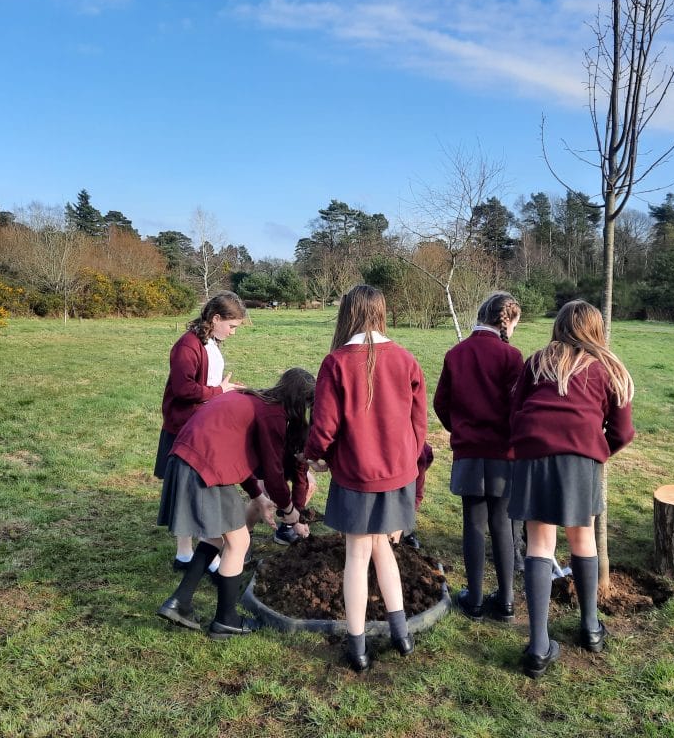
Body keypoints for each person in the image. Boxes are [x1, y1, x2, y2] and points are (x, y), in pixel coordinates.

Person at [303, 285, 428, 672]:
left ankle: (357, 648)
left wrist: (314, 456)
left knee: (357, 555)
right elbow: (419, 424)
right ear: (381, 312)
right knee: (382, 548)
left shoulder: (336, 362)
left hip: (356, 473)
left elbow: (324, 424)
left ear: (347, 314)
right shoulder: (406, 358)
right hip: (396, 472)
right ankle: (401, 634)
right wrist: (407, 461)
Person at [508, 299, 635, 678]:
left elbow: (515, 413)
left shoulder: (537, 362)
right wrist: (597, 455)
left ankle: (538, 645)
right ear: (596, 329)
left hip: (533, 455)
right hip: (580, 461)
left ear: (559, 326)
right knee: (583, 541)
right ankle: (591, 628)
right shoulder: (609, 369)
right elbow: (624, 431)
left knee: (539, 546)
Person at [156, 368, 315, 637]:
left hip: (187, 461)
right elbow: (274, 475)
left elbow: (237, 458)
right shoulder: (273, 416)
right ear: (300, 401)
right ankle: (226, 620)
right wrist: (289, 513)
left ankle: (179, 602)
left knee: (217, 538)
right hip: (202, 467)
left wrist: (257, 497)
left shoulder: (254, 401)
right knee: (238, 541)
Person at [154, 292, 265, 572]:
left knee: (199, 493)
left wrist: (225, 390)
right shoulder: (187, 346)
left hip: (203, 425)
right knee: (185, 492)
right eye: (232, 326)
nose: (234, 332)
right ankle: (184, 554)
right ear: (216, 318)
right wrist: (219, 392)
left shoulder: (210, 342)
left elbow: (209, 379)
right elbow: (183, 389)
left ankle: (207, 550)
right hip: (185, 428)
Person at [433, 291, 523, 623]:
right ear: (508, 321)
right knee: (503, 524)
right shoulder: (512, 357)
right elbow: (519, 408)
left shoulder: (456, 353)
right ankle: (508, 601)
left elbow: (441, 402)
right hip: (502, 452)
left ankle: (474, 599)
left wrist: (459, 428)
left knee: (473, 524)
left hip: (469, 451)